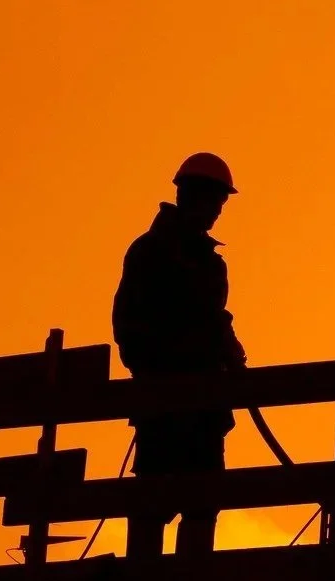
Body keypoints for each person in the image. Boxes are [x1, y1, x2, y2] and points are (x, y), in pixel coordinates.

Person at [113, 152, 246, 558]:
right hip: (163, 406)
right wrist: (166, 373)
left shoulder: (208, 263)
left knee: (202, 501)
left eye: (220, 205)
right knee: (153, 502)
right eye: (213, 202)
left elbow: (213, 319)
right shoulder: (151, 254)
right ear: (190, 197)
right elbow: (129, 329)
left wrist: (230, 352)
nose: (216, 213)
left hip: (204, 409)